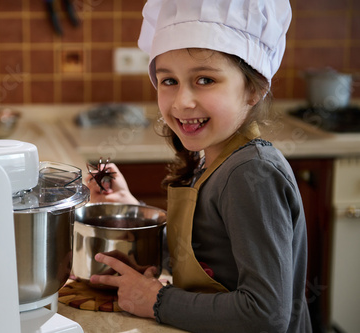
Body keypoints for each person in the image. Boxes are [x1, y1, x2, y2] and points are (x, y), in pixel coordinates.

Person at [84, 0, 312, 332]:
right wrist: (131, 211)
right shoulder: (215, 159)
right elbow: (207, 260)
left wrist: (157, 301)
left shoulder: (251, 173)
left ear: (254, 88)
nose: (182, 101)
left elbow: (265, 314)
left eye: (205, 80)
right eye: (168, 81)